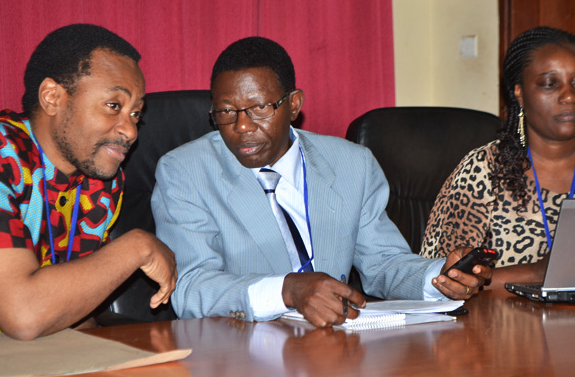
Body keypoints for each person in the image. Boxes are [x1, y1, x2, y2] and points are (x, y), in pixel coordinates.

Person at [151, 36, 491, 328]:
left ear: (294, 104)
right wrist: (288, 290)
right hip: (242, 351)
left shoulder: (352, 164)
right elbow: (191, 288)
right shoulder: (185, 172)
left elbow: (384, 263)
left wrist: (440, 277)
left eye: (259, 109)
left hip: (340, 344)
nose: (241, 127)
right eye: (226, 112)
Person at [420, 26, 575, 288]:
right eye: (551, 84)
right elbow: (445, 280)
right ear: (519, 93)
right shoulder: (483, 170)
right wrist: (539, 272)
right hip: (498, 328)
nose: (570, 96)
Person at [0, 24, 177, 340]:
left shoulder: (100, 183)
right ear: (52, 97)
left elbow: (70, 313)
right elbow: (22, 315)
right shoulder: (1, 157)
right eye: (114, 106)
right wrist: (138, 247)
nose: (131, 131)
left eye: (136, 113)